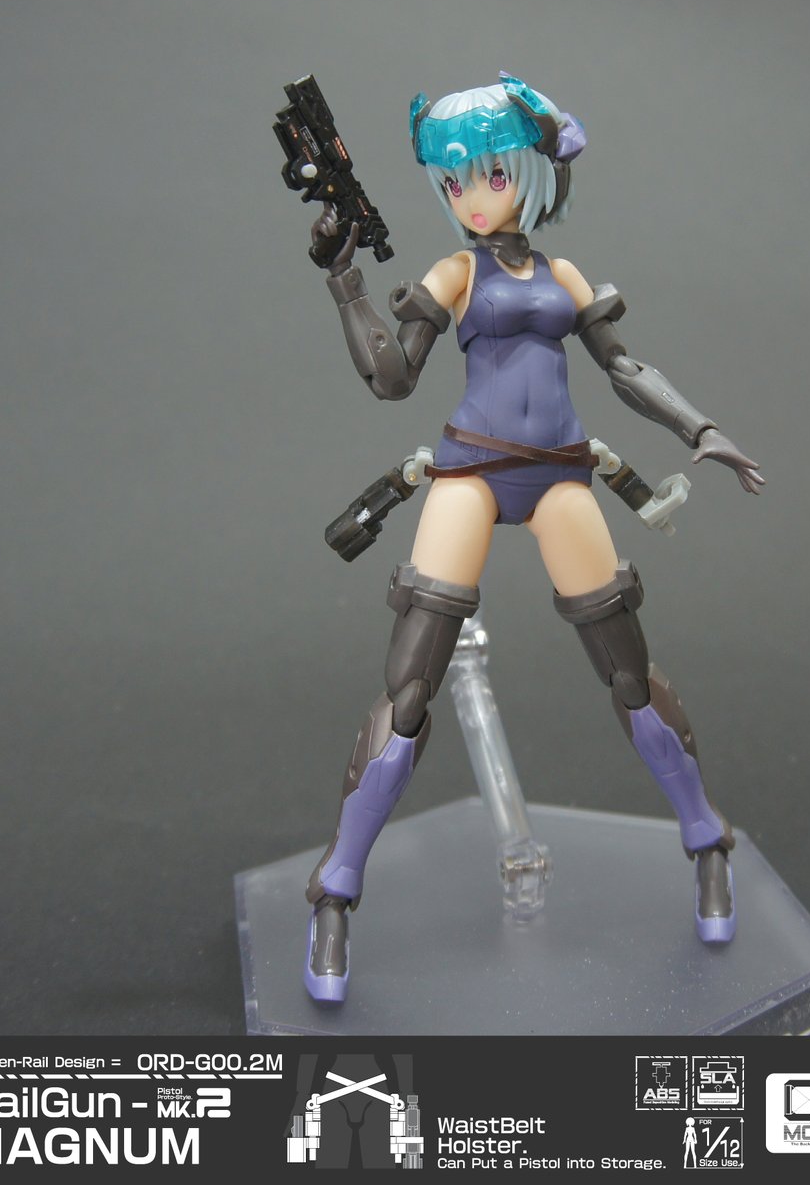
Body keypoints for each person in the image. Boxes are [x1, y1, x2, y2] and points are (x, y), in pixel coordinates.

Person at [300, 73, 764, 1003]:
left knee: (626, 670)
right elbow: (391, 379)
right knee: (409, 686)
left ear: (533, 171)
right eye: (453, 181)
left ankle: (706, 837)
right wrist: (343, 280)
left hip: (557, 472)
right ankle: (336, 886)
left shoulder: (564, 277)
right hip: (470, 470)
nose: (472, 197)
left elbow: (625, 367)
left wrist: (699, 427)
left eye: (491, 174)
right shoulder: (453, 274)